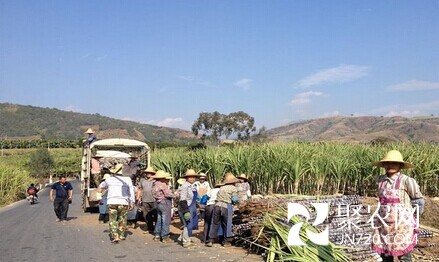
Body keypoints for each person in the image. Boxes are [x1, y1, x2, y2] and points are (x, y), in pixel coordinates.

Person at [371, 150, 424, 262]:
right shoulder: (380, 180)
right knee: (385, 253)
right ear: (384, 164)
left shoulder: (406, 181)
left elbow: (418, 200)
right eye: (388, 163)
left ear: (400, 165)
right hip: (384, 224)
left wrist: (414, 216)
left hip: (402, 225)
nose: (390, 165)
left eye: (394, 163)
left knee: (404, 254)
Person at [98, 164, 135, 243]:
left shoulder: (109, 179)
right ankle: (121, 235)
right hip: (123, 202)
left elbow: (101, 185)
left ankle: (115, 236)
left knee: (113, 219)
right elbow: (131, 191)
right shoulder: (127, 179)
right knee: (123, 219)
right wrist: (132, 202)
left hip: (112, 202)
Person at [207, 172, 240, 247]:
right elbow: (235, 199)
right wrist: (238, 202)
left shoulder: (221, 188)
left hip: (217, 206)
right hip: (226, 206)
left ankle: (211, 240)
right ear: (233, 182)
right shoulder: (233, 188)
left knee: (215, 223)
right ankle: (226, 241)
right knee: (227, 223)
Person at [177, 169, 200, 247]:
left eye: (194, 177)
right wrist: (186, 211)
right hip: (186, 207)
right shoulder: (184, 186)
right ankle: (186, 242)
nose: (192, 178)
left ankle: (182, 237)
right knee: (187, 224)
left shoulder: (193, 186)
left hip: (192, 206)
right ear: (186, 178)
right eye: (190, 177)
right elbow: (182, 200)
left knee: (191, 223)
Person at [152, 170, 175, 243]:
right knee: (165, 219)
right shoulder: (162, 185)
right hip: (165, 202)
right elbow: (168, 194)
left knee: (159, 218)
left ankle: (157, 234)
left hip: (158, 202)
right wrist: (176, 195)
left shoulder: (154, 184)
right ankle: (165, 236)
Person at [137, 167, 157, 233]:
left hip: (154, 200)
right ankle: (150, 228)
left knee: (156, 214)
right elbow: (140, 189)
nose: (148, 174)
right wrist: (138, 198)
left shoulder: (155, 181)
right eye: (147, 173)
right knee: (146, 215)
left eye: (149, 173)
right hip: (145, 200)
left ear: (152, 173)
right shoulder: (143, 181)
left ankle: (157, 229)